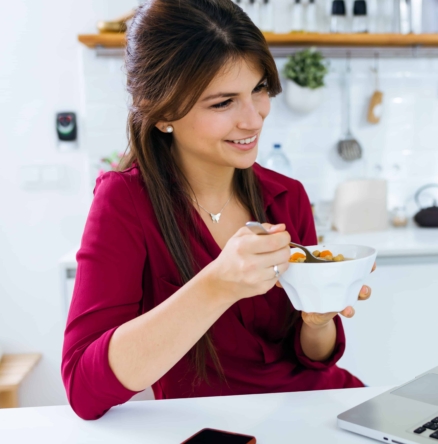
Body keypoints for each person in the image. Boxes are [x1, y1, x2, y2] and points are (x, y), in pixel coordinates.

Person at [61, 0, 371, 420]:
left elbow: (316, 360)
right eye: (224, 103)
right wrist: (218, 284)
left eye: (259, 89)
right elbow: (83, 389)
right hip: (219, 427)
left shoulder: (286, 196)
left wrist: (319, 321)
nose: (253, 119)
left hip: (321, 410)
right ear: (164, 110)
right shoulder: (126, 202)